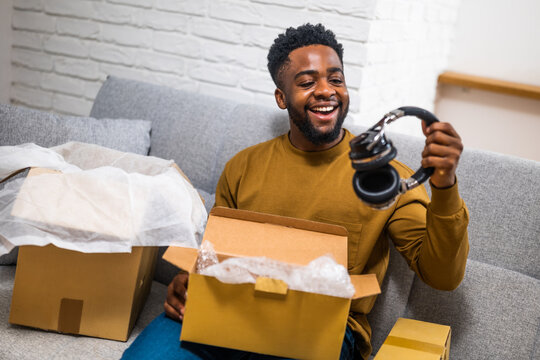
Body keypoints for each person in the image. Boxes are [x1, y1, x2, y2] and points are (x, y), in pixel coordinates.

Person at [122, 23, 469, 360]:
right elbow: (214, 257)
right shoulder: (243, 167)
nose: (326, 90)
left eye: (336, 79)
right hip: (228, 311)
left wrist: (445, 186)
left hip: (321, 328)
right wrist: (187, 282)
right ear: (281, 97)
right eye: (307, 82)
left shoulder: (384, 179)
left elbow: (443, 276)